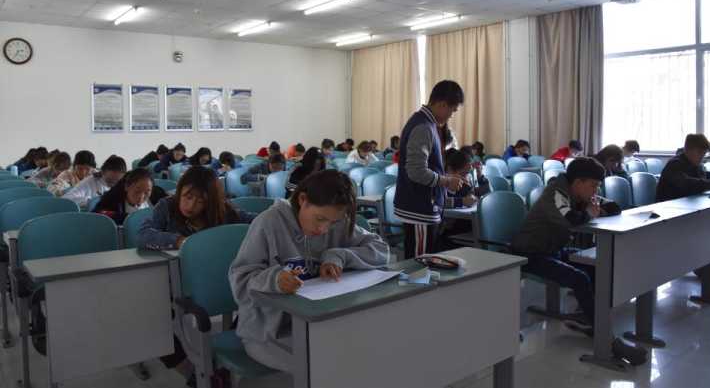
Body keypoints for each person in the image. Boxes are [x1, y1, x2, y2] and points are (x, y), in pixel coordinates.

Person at [229, 170, 389, 372]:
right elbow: (240, 280)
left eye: (333, 222)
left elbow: (382, 250)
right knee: (328, 367)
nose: (324, 229)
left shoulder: (336, 221)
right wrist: (275, 280)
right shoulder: (268, 223)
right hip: (268, 332)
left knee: (363, 354)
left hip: (319, 324)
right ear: (302, 200)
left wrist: (339, 255)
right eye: (320, 219)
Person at [511, 157, 646, 364]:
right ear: (578, 182)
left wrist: (594, 210)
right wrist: (590, 213)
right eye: (593, 185)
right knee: (579, 278)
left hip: (552, 250)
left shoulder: (578, 193)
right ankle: (608, 341)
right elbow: (570, 219)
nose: (595, 190)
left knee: (598, 267)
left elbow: (614, 207)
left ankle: (590, 320)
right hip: (529, 253)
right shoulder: (556, 194)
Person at [137, 166, 253, 385]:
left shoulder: (224, 211)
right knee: (150, 319)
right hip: (175, 282)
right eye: (187, 197)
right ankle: (192, 372)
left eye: (200, 201)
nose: (191, 206)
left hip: (217, 283)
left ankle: (222, 363)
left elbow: (256, 222)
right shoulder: (166, 207)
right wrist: (179, 241)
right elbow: (143, 235)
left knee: (257, 299)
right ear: (180, 191)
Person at [395, 80, 465, 259]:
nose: (451, 116)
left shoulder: (428, 124)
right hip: (419, 208)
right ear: (442, 104)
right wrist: (447, 181)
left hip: (424, 206)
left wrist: (446, 179)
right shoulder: (423, 127)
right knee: (419, 265)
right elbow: (416, 171)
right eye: (452, 110)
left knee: (425, 265)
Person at [657, 134, 710, 202]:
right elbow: (687, 183)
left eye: (705, 154)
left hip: (686, 204)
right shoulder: (674, 164)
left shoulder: (696, 165)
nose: (702, 157)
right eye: (700, 152)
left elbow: (706, 177)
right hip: (668, 205)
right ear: (688, 150)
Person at [93, 168, 161, 225]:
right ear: (127, 187)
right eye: (137, 191)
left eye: (146, 192)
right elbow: (96, 216)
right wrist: (128, 218)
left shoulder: (156, 197)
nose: (141, 197)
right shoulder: (112, 200)